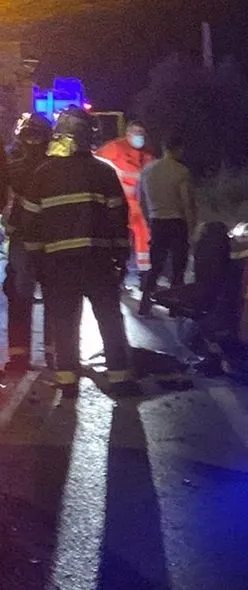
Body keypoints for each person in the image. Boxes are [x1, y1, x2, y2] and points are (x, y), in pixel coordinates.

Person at [19, 107, 137, 397]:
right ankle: (120, 377)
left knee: (64, 320)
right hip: (97, 260)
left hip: (58, 264)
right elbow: (117, 218)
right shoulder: (103, 171)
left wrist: (36, 260)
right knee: (109, 318)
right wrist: (120, 257)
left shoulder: (42, 174)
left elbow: (29, 223)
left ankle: (67, 380)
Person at [2, 113, 53, 374]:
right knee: (55, 298)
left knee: (19, 296)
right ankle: (56, 357)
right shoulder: (55, 163)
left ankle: (19, 358)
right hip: (50, 239)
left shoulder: (12, 161)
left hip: (24, 238)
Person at [137, 135, 196, 316]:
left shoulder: (147, 171)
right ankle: (175, 307)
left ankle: (145, 304)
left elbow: (141, 200)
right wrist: (192, 226)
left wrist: (149, 219)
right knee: (178, 267)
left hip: (157, 221)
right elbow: (186, 202)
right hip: (177, 222)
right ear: (179, 149)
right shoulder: (181, 171)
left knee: (156, 265)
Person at [96, 120, 155, 274]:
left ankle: (144, 269)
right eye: (136, 132)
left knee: (143, 232)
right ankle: (118, 267)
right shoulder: (116, 148)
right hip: (118, 200)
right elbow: (97, 160)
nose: (139, 136)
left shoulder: (146, 154)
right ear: (127, 134)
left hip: (138, 203)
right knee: (118, 233)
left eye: (141, 133)